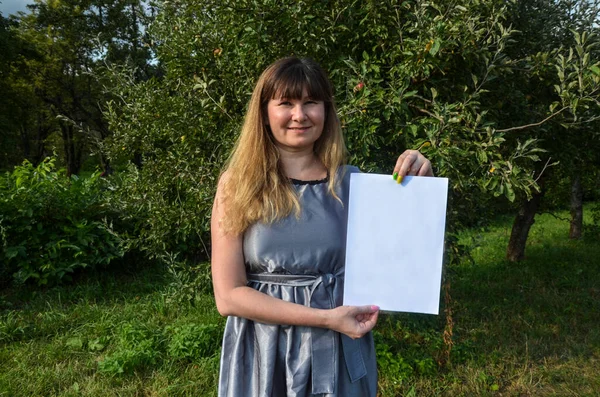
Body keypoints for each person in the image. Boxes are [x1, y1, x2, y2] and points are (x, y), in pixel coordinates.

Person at [211, 57, 434, 397]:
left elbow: (405, 261)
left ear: (326, 111)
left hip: (339, 349)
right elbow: (228, 296)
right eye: (286, 103)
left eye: (310, 102)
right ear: (264, 112)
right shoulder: (237, 186)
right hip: (263, 352)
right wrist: (326, 319)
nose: (299, 115)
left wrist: (421, 186)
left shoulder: (353, 184)